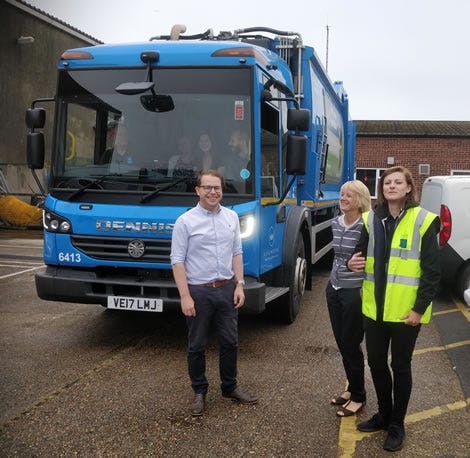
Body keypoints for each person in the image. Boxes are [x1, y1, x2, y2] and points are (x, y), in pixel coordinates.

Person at [348, 166, 440, 452]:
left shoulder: (423, 221)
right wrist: (352, 264)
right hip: (374, 311)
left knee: (400, 367)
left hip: (405, 314)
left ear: (409, 187)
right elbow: (358, 258)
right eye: (387, 182)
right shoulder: (369, 219)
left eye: (398, 182)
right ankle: (384, 414)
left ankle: (397, 424)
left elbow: (431, 272)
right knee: (376, 364)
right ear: (381, 188)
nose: (391, 186)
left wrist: (418, 309)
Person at [170, 169, 258, 416]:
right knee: (196, 345)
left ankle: (229, 387)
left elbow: (236, 253)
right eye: (207, 187)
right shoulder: (185, 221)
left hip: (227, 290)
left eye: (216, 187)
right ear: (197, 191)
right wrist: (185, 296)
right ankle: (199, 392)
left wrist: (240, 284)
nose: (212, 192)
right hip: (198, 292)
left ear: (222, 190)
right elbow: (177, 261)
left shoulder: (231, 217)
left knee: (230, 342)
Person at [327, 180, 371, 418]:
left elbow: (371, 260)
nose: (343, 198)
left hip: (355, 292)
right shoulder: (336, 222)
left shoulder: (368, 226)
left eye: (349, 195)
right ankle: (352, 389)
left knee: (351, 344)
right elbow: (337, 257)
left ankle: (359, 396)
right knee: (343, 343)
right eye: (342, 194)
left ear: (360, 199)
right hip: (333, 288)